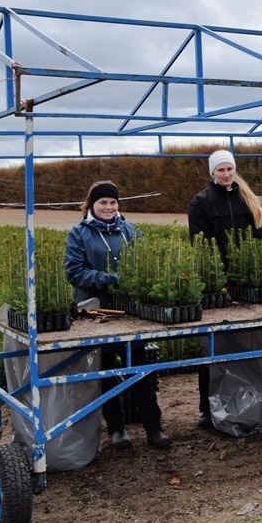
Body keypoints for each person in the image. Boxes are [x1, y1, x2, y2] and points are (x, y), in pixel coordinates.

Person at [65, 180, 171, 449]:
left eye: (113, 202)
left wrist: (141, 278)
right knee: (106, 368)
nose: (109, 207)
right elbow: (74, 272)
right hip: (95, 312)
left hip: (131, 312)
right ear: (92, 205)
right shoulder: (79, 234)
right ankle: (116, 429)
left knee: (140, 367)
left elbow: (146, 261)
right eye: (103, 202)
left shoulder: (131, 230)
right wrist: (110, 278)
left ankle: (153, 427)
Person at [188, 150, 262, 427]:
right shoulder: (201, 202)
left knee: (246, 343)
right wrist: (213, 276)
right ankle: (206, 408)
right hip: (217, 283)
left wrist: (256, 270)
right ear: (212, 173)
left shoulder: (248, 199)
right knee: (213, 346)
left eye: (229, 169)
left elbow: (259, 239)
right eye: (220, 170)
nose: (225, 174)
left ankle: (247, 402)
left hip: (246, 282)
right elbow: (199, 244)